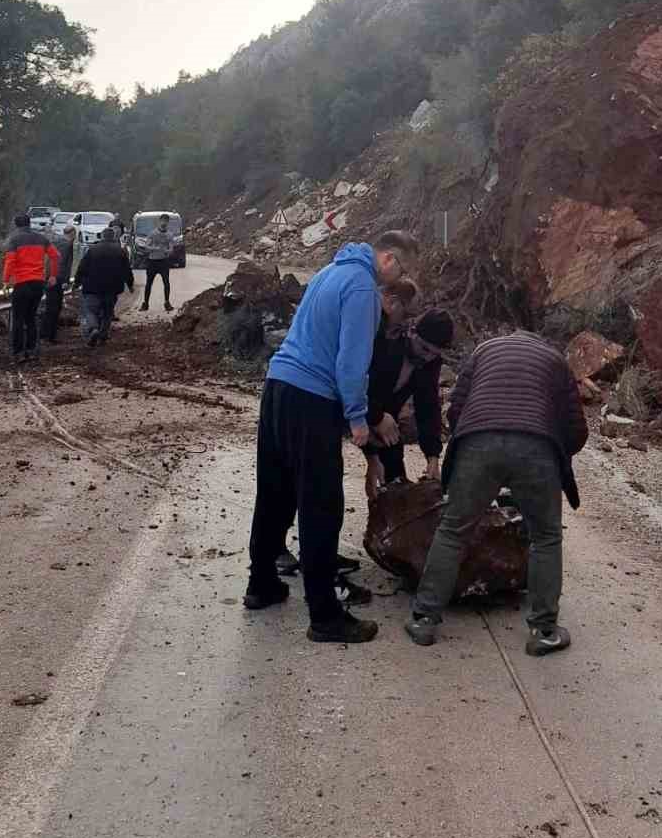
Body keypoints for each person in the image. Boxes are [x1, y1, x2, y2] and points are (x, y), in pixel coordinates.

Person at [244, 229, 419, 644]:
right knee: (321, 503)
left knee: (275, 492)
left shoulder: (329, 271)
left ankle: (261, 584)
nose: (399, 279)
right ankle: (324, 615)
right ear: (389, 259)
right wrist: (358, 418)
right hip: (311, 398)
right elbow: (351, 362)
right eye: (402, 270)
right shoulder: (361, 288)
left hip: (278, 387)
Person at [405, 330, 587, 657]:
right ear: (540, 341)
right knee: (545, 537)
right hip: (536, 445)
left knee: (453, 530)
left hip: (479, 441)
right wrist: (555, 454)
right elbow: (576, 428)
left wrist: (473, 445)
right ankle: (544, 631)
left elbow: (455, 410)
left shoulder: (483, 351)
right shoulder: (555, 360)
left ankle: (424, 620)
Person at [365, 305, 453, 498]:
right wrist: (376, 420)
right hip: (350, 405)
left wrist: (432, 456)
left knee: (395, 481)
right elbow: (355, 386)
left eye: (434, 353)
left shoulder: (430, 362)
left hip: (387, 417)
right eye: (424, 348)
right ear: (412, 332)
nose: (426, 357)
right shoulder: (385, 342)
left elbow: (427, 407)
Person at [2, 212, 60, 363]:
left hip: (21, 283)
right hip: (38, 283)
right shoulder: (41, 238)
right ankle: (32, 350)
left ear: (16, 225)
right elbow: (55, 256)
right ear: (29, 223)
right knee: (31, 318)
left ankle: (18, 352)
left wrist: (6, 280)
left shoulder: (14, 240)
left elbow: (10, 261)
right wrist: (53, 275)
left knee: (18, 319)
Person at [74, 224, 134, 346]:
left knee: (90, 310)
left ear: (102, 236)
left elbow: (82, 267)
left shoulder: (92, 250)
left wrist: (77, 282)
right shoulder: (120, 251)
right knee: (107, 312)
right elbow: (126, 270)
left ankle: (93, 328)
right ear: (113, 237)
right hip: (112, 288)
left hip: (92, 287)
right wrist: (130, 284)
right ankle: (103, 335)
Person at [39, 222, 77, 344]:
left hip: (48, 277)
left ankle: (44, 334)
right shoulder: (67, 245)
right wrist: (64, 280)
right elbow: (64, 264)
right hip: (57, 279)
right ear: (72, 234)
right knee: (54, 308)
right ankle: (49, 336)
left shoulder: (55, 241)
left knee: (50, 307)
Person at [139, 214, 176, 312]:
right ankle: (145, 303)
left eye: (166, 221)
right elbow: (146, 247)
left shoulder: (170, 235)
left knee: (166, 282)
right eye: (163, 220)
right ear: (159, 221)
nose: (164, 223)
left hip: (163, 262)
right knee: (149, 283)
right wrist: (155, 248)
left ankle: (167, 302)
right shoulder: (153, 233)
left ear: (168, 223)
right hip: (152, 262)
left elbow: (171, 248)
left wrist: (168, 251)